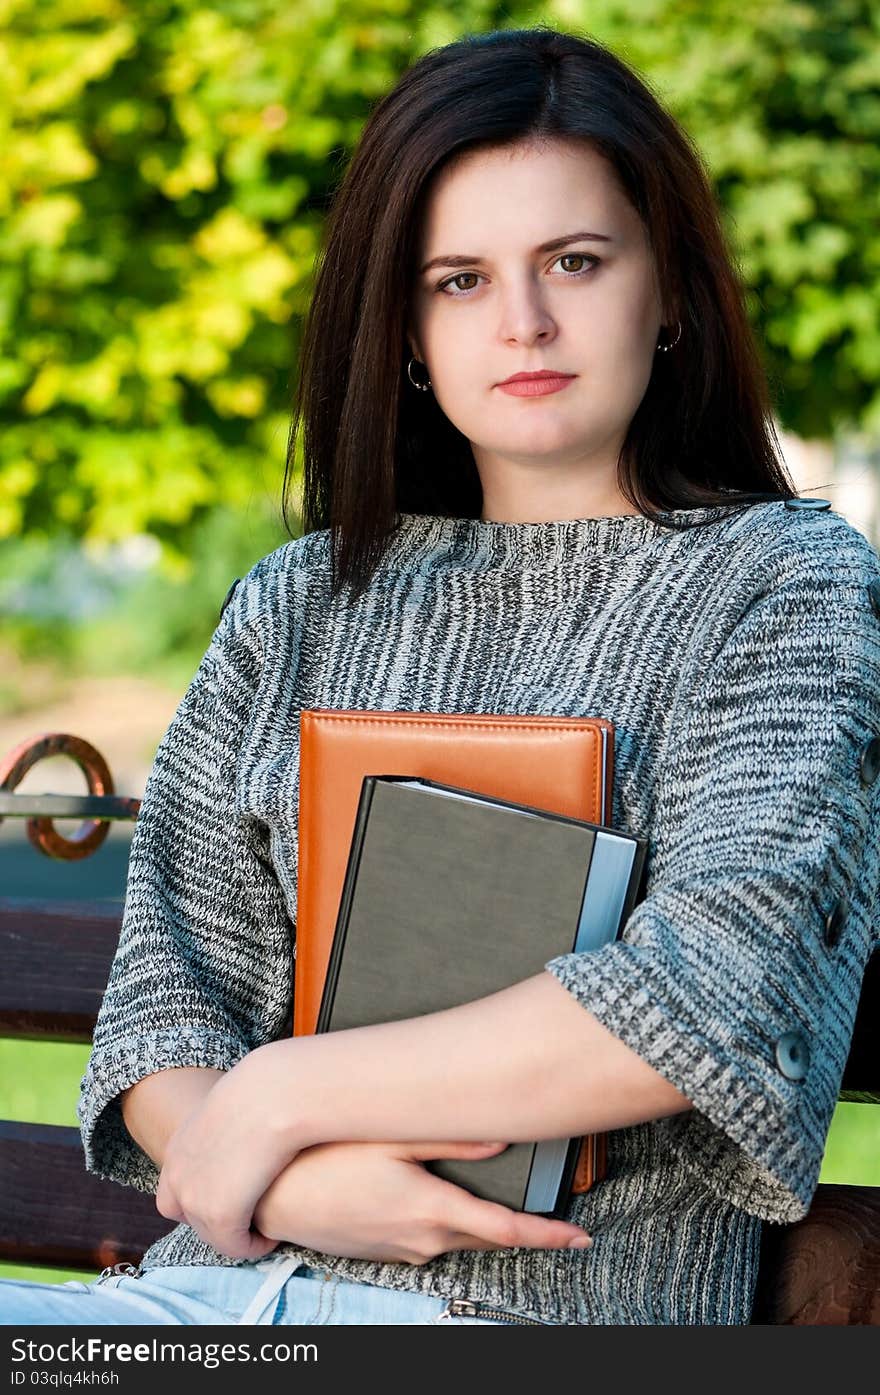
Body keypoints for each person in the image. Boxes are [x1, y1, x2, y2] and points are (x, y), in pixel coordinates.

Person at [3, 24, 879, 1328]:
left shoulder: (783, 585)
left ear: (672, 289)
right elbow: (163, 1009)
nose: (521, 320)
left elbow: (712, 990)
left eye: (574, 262)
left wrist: (282, 1101)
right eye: (458, 280)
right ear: (404, 324)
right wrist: (293, 1189)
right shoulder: (300, 601)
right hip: (206, 1309)